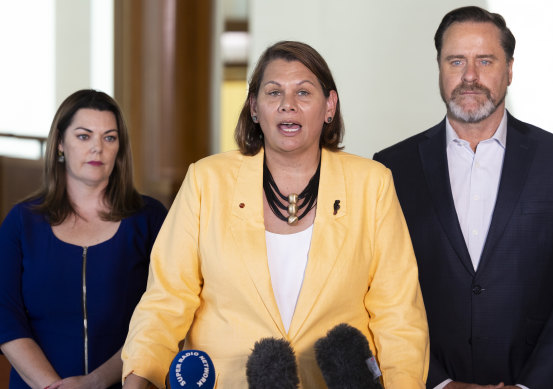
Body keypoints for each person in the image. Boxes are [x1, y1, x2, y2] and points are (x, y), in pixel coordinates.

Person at [122, 41, 429, 388]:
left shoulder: (372, 183)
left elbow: (397, 312)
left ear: (329, 106)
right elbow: (167, 297)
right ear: (254, 108)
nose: (288, 106)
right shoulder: (206, 180)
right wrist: (139, 378)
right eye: (273, 93)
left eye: (303, 92)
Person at [374, 6, 553, 389]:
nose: (470, 76)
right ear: (439, 68)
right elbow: (379, 294)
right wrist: (439, 383)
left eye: (485, 60)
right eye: (456, 61)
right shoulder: (390, 169)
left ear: (510, 69)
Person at [0, 89, 167, 389]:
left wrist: (96, 382)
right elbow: (4, 315)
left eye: (109, 137)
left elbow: (160, 316)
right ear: (61, 143)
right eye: (83, 136)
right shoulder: (21, 222)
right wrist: (52, 386)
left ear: (119, 149)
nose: (97, 148)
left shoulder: (149, 218)